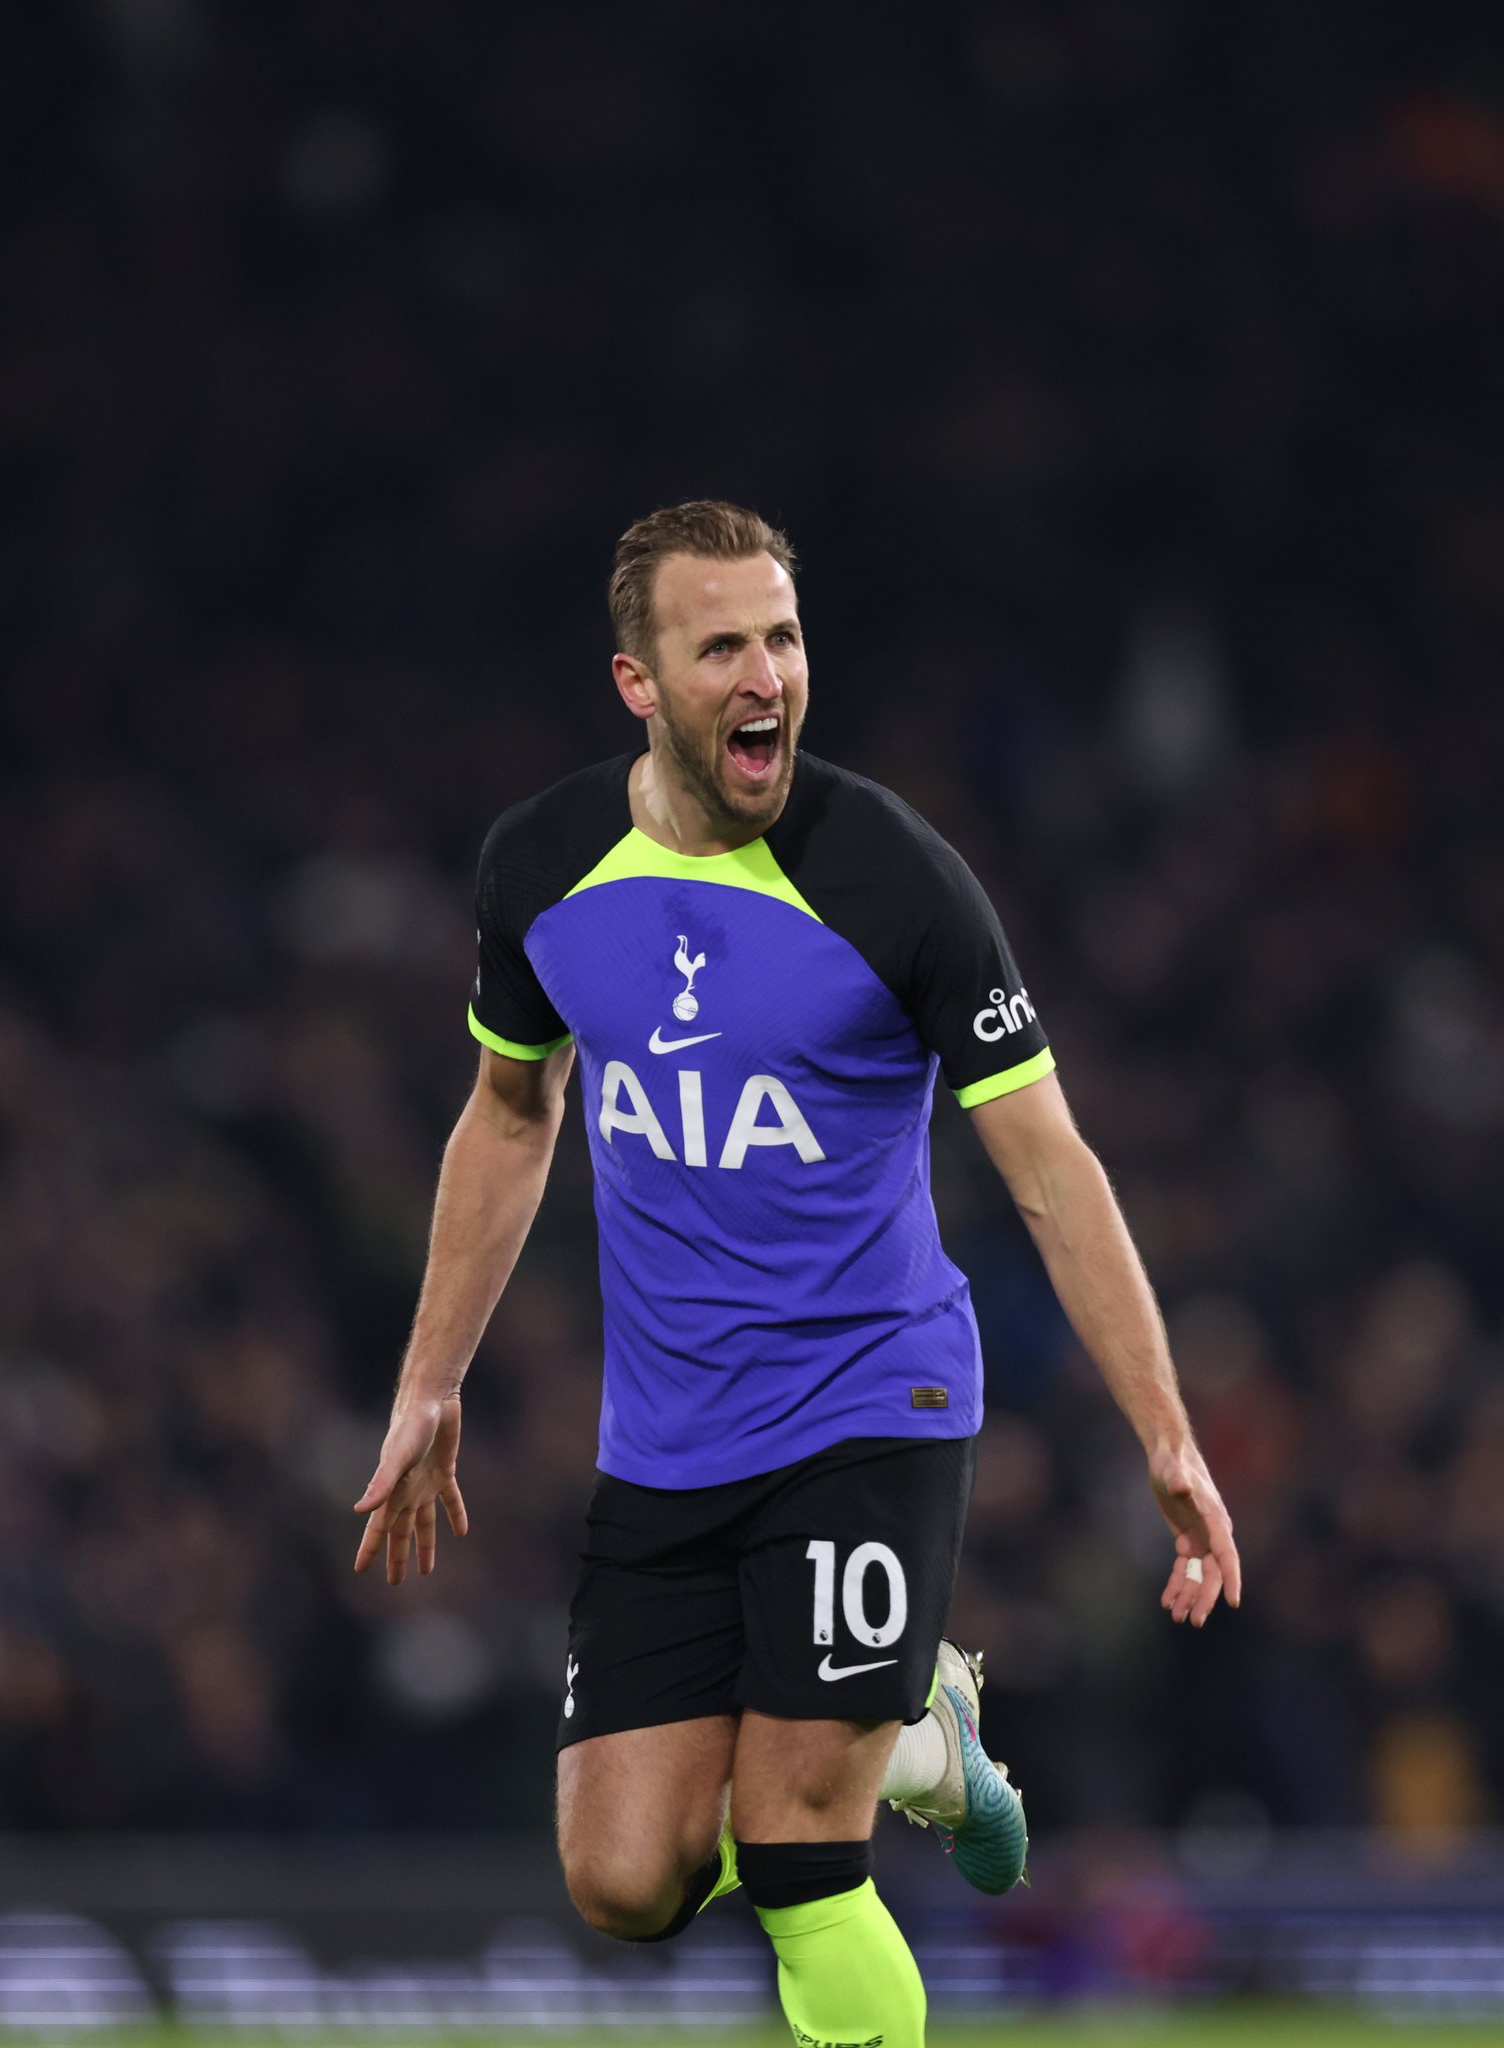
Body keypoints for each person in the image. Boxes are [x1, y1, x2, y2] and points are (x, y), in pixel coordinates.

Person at [354, 501, 1241, 2048]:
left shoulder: (891, 876)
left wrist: (1162, 1431)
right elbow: (510, 1114)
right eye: (722, 647)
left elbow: (1049, 1164)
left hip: (869, 1402)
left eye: (782, 636)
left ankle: (867, 1754)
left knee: (792, 1850)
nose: (765, 674)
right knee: (623, 1879)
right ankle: (919, 1732)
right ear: (639, 682)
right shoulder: (545, 869)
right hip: (667, 1441)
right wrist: (430, 1381)